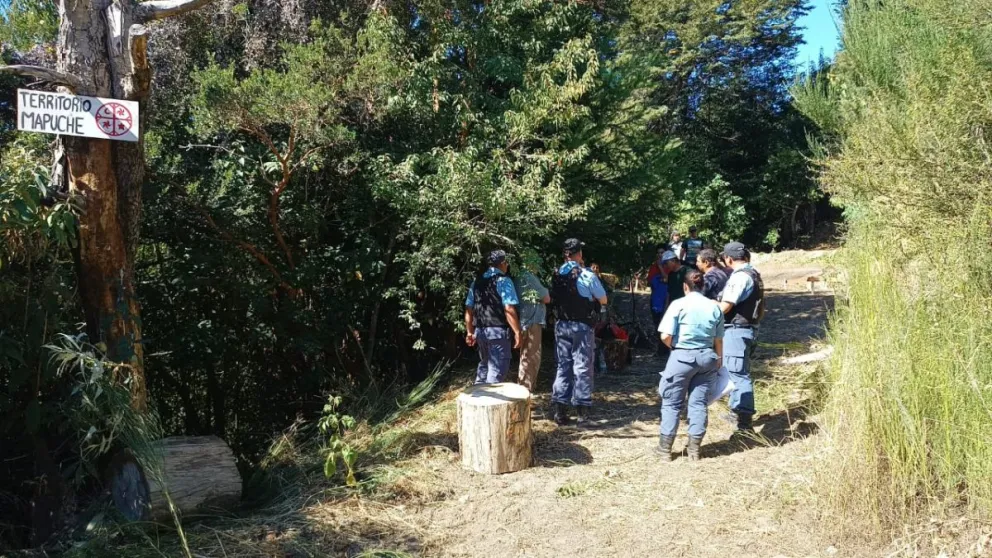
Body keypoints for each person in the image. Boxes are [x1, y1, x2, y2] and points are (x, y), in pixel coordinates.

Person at [656, 269, 724, 462]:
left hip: (682, 357)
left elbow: (665, 335)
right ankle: (694, 450)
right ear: (702, 286)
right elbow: (719, 338)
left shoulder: (678, 304)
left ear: (685, 286)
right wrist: (720, 358)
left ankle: (665, 451)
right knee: (699, 404)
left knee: (671, 403)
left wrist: (675, 348)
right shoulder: (714, 307)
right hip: (707, 358)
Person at [550, 238, 608, 426]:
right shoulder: (586, 275)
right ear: (579, 254)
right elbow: (603, 299)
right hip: (582, 326)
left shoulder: (556, 273)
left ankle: (560, 411)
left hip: (561, 325)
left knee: (562, 365)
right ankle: (582, 412)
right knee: (582, 366)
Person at [718, 242, 766, 433]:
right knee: (736, 370)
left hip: (737, 330)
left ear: (728, 259)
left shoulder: (739, 277)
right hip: (747, 329)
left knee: (738, 374)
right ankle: (737, 411)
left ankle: (744, 422)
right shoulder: (754, 274)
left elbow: (726, 306)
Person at [465, 250, 523, 384]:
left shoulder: (476, 282)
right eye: (506, 262)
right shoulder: (504, 281)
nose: (507, 265)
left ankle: (478, 399)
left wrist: (469, 331)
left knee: (484, 365)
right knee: (496, 371)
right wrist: (517, 332)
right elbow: (509, 309)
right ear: (502, 263)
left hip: (480, 332)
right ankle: (489, 400)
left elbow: (469, 308)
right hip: (498, 332)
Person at [513, 265, 551, 392]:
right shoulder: (528, 277)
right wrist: (545, 288)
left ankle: (525, 388)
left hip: (524, 319)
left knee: (526, 355)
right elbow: (546, 298)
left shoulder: (519, 276)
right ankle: (526, 391)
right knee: (531, 356)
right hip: (532, 321)